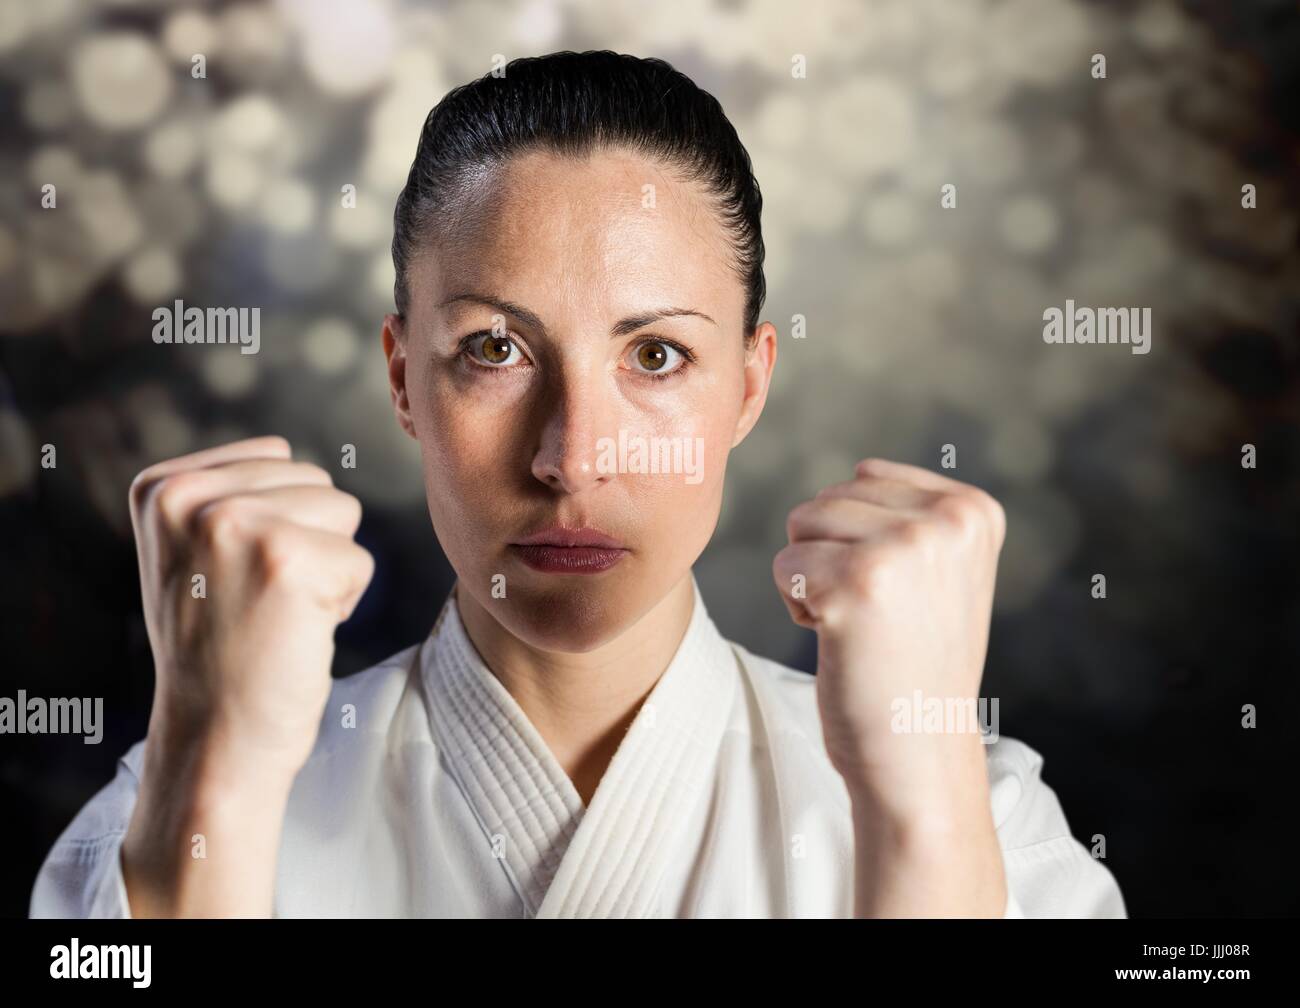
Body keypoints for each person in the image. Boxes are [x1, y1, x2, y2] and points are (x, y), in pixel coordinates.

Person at [30, 50, 1125, 919]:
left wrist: (920, 809)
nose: (573, 457)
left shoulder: (981, 817)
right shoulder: (171, 809)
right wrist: (208, 765)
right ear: (404, 379)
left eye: (655, 357)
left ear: (748, 386)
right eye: (494, 351)